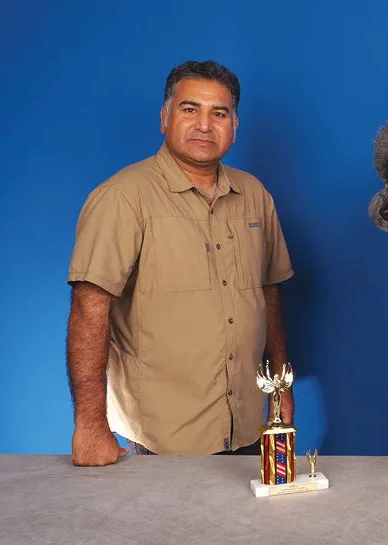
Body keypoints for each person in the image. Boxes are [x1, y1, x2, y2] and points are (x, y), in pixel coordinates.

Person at [65, 60, 295, 465]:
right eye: (190, 110)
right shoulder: (123, 197)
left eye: (218, 113)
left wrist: (280, 392)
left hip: (246, 425)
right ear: (165, 118)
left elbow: (268, 295)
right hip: (159, 436)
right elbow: (89, 308)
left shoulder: (255, 195)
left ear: (235, 125)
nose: (205, 125)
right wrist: (90, 426)